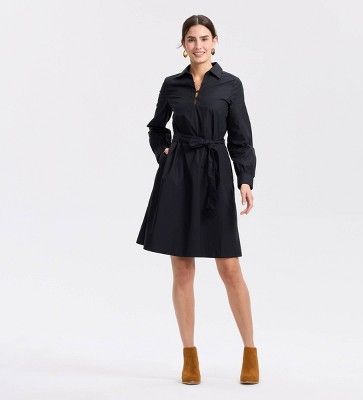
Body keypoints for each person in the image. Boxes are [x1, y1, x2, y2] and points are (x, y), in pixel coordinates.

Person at [136, 14, 259, 385]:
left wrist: (245, 180)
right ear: (183, 45)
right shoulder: (171, 84)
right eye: (191, 39)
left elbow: (241, 138)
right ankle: (189, 355)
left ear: (215, 42)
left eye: (204, 38)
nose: (198, 45)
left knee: (229, 268)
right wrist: (165, 154)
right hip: (177, 178)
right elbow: (156, 128)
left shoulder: (230, 85)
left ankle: (250, 351)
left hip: (215, 174)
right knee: (182, 268)